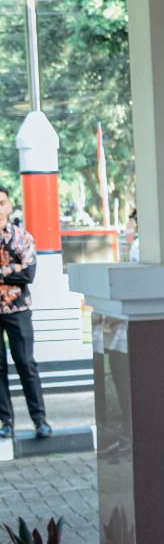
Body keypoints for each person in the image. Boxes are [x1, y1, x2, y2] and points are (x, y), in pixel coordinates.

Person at [0, 185, 50, 439]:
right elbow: (20, 270)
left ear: (9, 205)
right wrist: (13, 269)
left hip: (18, 309)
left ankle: (39, 420)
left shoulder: (22, 237)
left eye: (1, 203)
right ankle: (6, 422)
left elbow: (28, 274)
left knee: (26, 363)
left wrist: (11, 272)